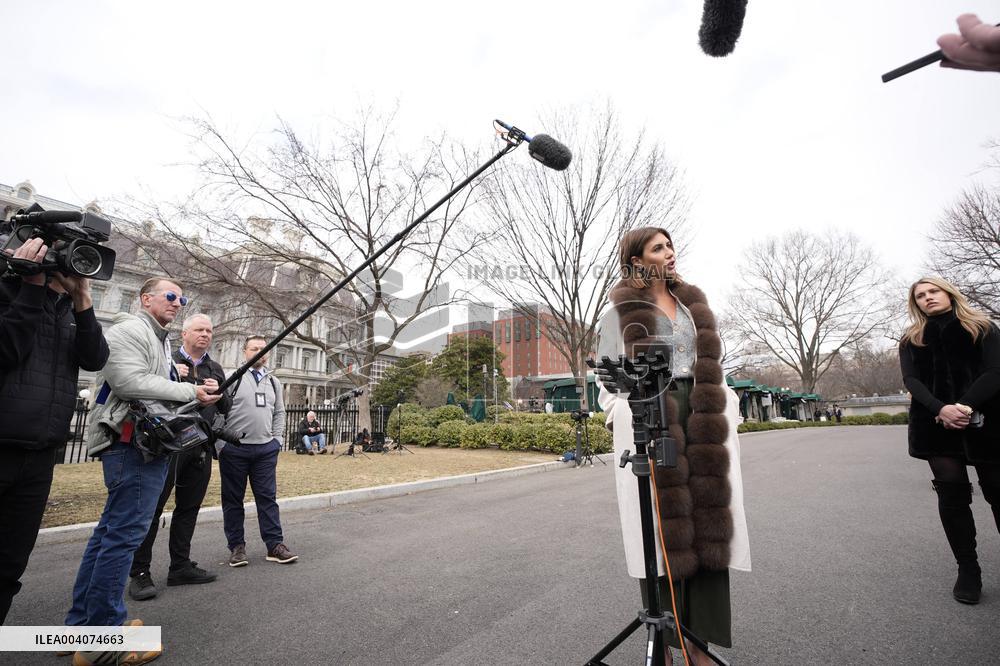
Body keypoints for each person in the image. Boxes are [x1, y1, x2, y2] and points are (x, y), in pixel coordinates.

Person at [596, 227, 750, 665]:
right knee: (661, 528)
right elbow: (607, 380)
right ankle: (664, 642)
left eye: (671, 245)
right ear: (637, 259)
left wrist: (727, 403)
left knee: (709, 523)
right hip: (652, 412)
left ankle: (700, 645)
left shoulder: (693, 306)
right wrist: (626, 413)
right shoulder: (618, 312)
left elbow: (713, 366)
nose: (670, 252)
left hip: (702, 415)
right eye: (658, 247)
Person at [65, 277, 221, 666]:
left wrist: (186, 387)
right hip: (131, 447)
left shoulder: (157, 338)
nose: (177, 303)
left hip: (143, 447)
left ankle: (81, 629)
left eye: (181, 298)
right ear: (146, 298)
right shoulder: (129, 329)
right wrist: (190, 391)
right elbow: (129, 382)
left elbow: (153, 389)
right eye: (170, 296)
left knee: (108, 535)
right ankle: (102, 642)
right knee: (122, 539)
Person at [0, 238, 109, 624]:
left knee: (9, 567)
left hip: (41, 452)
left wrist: (82, 299)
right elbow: (6, 351)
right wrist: (30, 285)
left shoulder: (68, 309)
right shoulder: (7, 289)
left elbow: (95, 358)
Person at [899, 277, 1000, 605]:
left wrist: (965, 406)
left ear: (949, 293)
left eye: (933, 291)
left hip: (986, 419)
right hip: (934, 423)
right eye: (920, 295)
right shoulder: (912, 338)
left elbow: (995, 372)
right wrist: (940, 409)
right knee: (952, 495)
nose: (928, 298)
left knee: (997, 489)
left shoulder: (982, 327)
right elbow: (911, 380)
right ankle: (968, 569)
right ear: (916, 303)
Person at [128, 313, 232, 601]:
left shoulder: (215, 367)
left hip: (200, 447)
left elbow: (226, 406)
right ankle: (139, 572)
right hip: (169, 446)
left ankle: (180, 566)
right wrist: (171, 375)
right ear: (184, 333)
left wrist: (219, 392)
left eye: (209, 330)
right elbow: (146, 395)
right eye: (199, 329)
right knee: (152, 509)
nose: (205, 334)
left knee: (189, 508)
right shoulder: (167, 360)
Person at [220, 335, 297, 567]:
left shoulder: (273, 382)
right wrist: (221, 445)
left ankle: (275, 545)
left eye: (263, 349)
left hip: (265, 450)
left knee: (267, 499)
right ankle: (237, 547)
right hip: (234, 450)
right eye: (254, 348)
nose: (259, 352)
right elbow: (217, 412)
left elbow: (279, 412)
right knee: (233, 500)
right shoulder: (231, 378)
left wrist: (277, 440)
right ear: (245, 351)